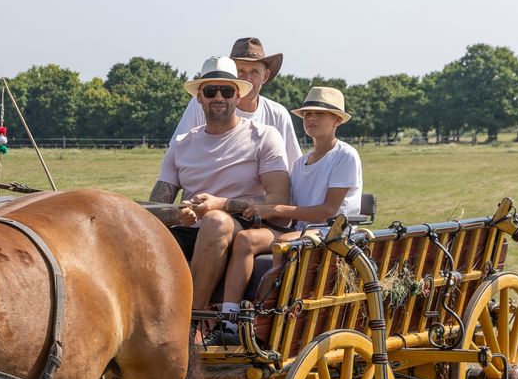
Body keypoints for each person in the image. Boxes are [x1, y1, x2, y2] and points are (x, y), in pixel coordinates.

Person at [209, 87, 361, 346]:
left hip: (332, 232)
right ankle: (230, 318)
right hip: (302, 229)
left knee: (286, 242)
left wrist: (275, 210)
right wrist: (258, 209)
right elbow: (293, 208)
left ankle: (268, 317)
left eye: (319, 114)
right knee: (245, 239)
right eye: (307, 114)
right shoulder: (300, 164)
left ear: (337, 120)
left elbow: (328, 210)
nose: (311, 118)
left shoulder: (344, 155)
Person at [148, 56, 290, 312]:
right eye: (211, 90)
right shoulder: (181, 144)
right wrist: (178, 214)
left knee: (215, 221)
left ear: (237, 95)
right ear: (199, 97)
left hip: (242, 225)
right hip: (189, 229)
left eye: (226, 90)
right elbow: (158, 203)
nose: (219, 97)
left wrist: (221, 205)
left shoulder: (264, 137)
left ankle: (190, 319)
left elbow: (279, 198)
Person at [170, 37, 303, 167]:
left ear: (266, 76)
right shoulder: (202, 104)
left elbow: (294, 167)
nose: (247, 79)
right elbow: (175, 154)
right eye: (241, 72)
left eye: (254, 72)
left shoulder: (278, 114)